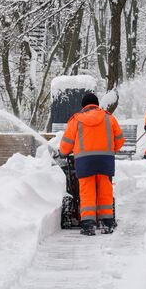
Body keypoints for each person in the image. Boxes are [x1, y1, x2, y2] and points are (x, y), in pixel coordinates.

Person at [59, 92, 124, 236]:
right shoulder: (109, 118)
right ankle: (107, 223)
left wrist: (63, 152)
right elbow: (119, 139)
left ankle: (88, 225)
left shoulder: (76, 120)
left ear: (84, 106)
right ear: (97, 104)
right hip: (105, 160)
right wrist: (111, 149)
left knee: (87, 190)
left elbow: (66, 144)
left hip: (84, 161)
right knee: (105, 190)